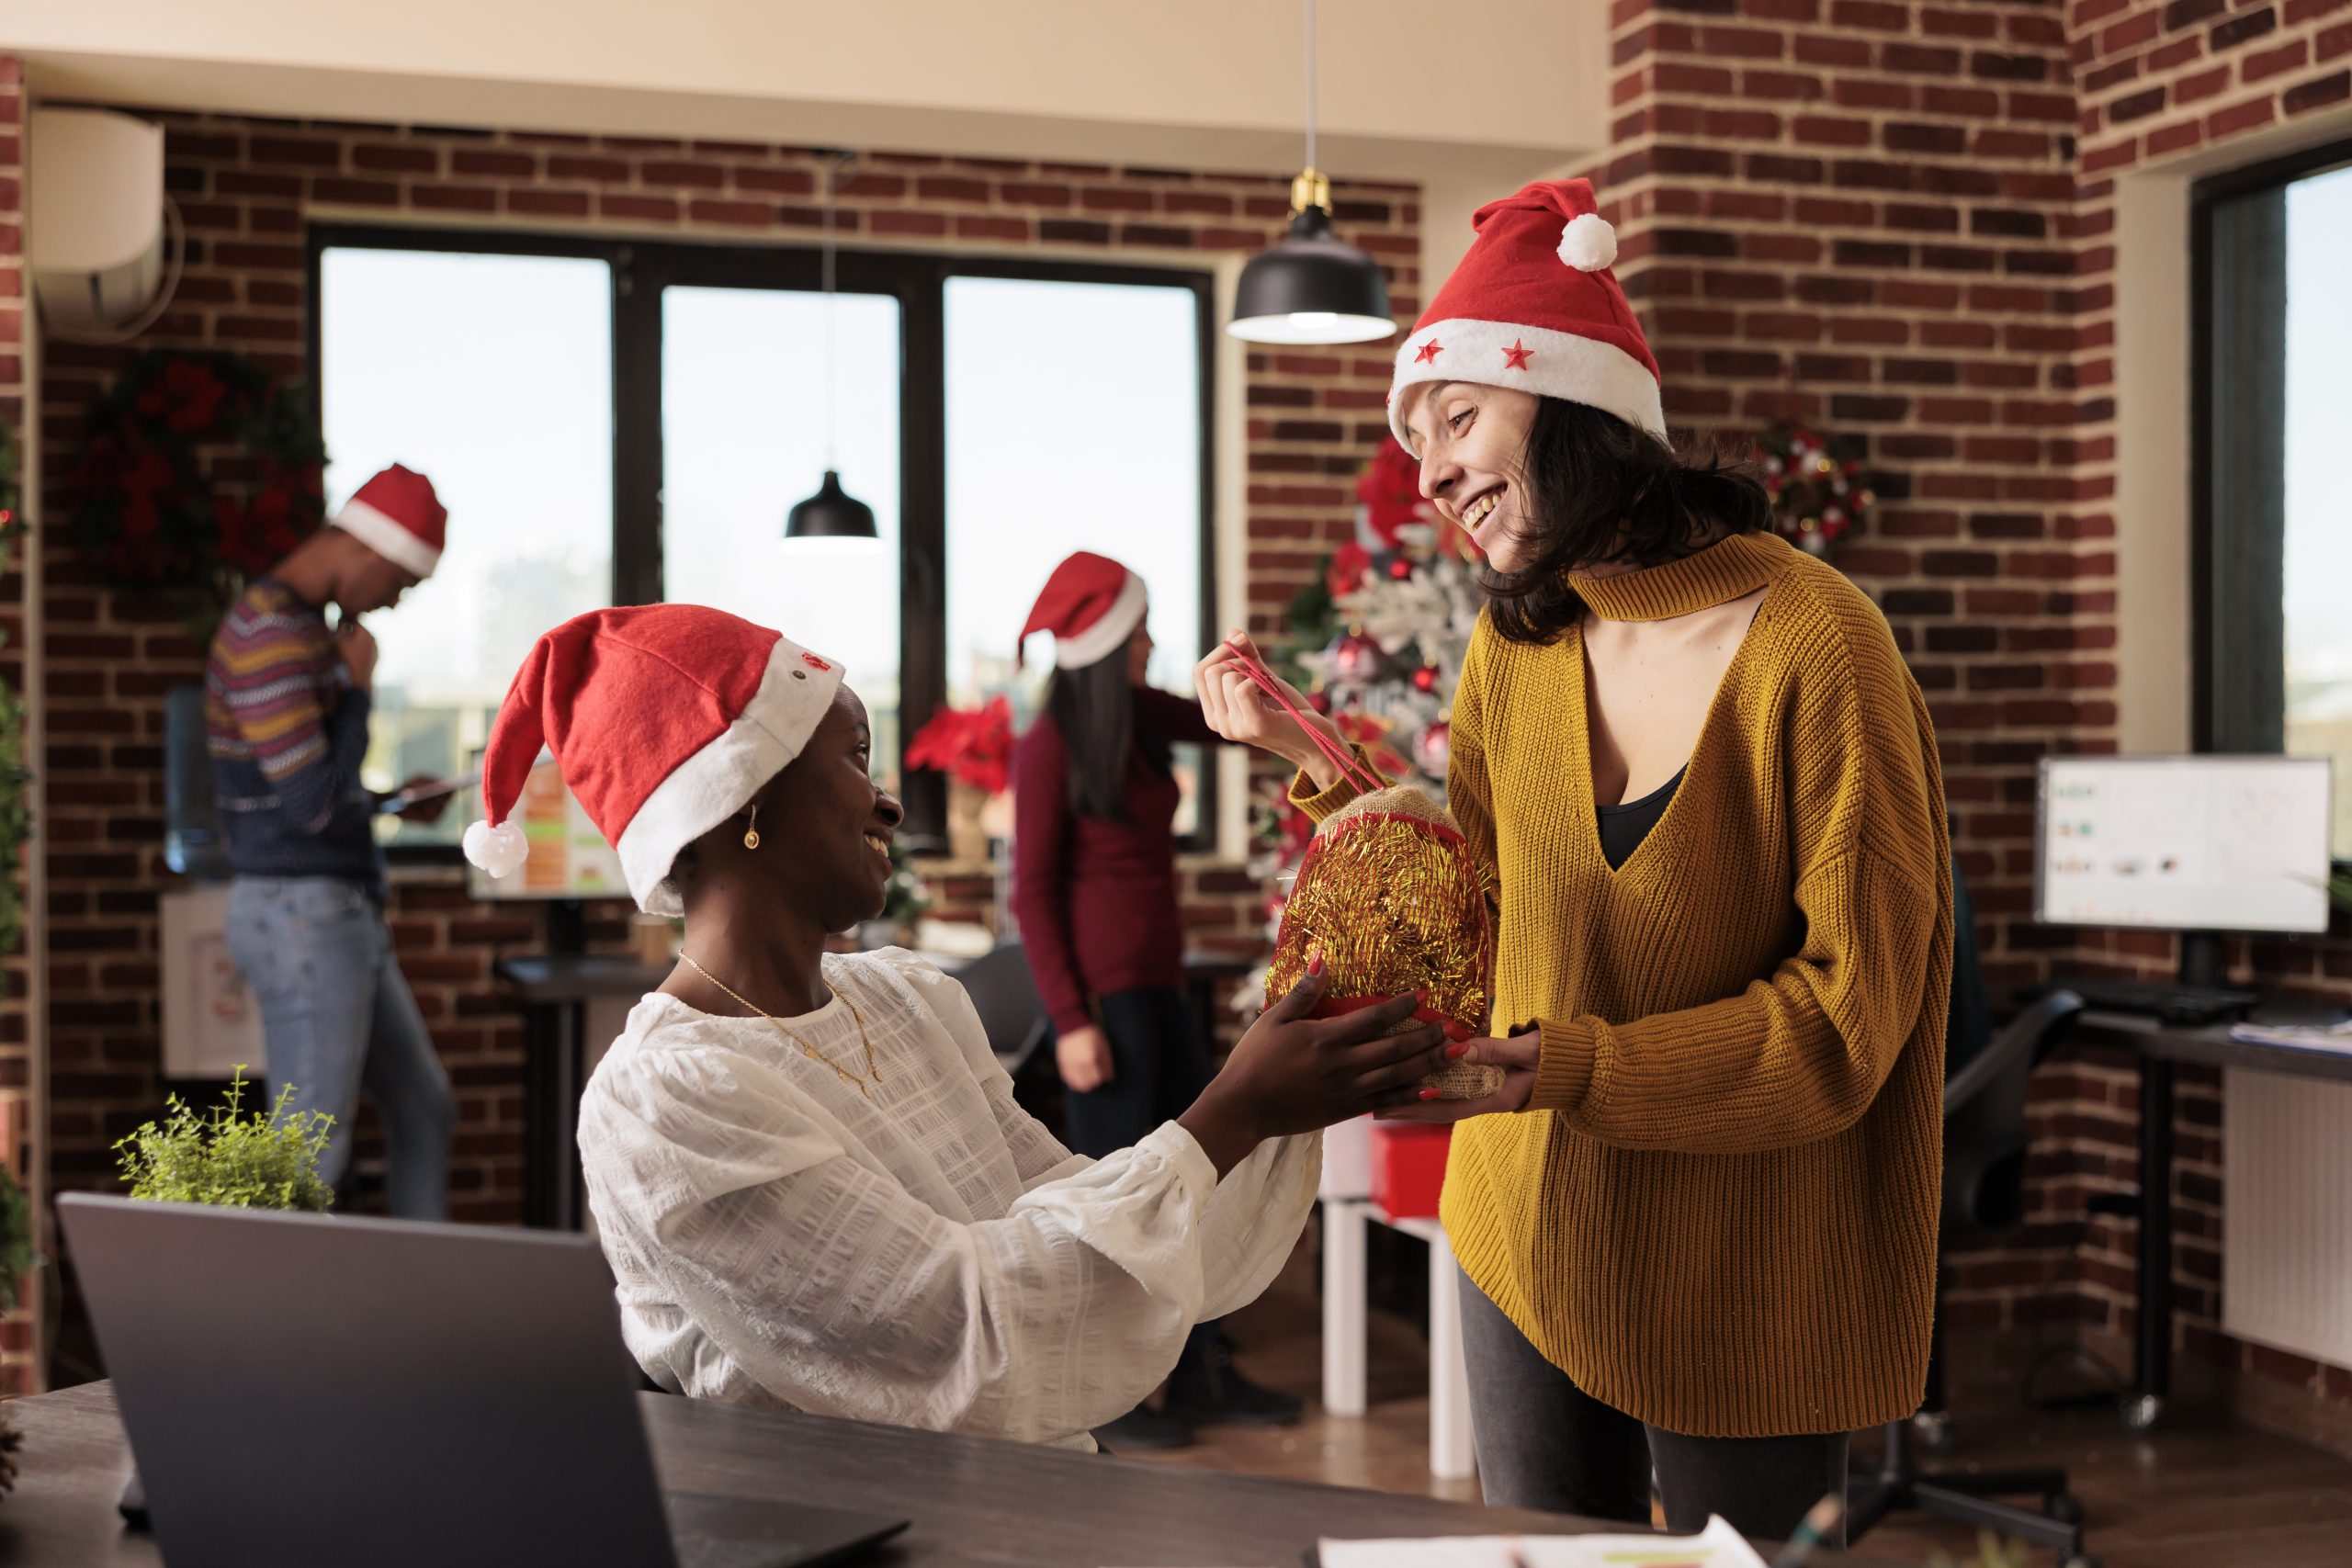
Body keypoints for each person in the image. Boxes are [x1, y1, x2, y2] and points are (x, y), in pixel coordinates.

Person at [1194, 178, 1951, 1541]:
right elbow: (1474, 895)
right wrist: (1300, 751)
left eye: (1458, 417)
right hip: (1527, 1226)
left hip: (1745, 1270)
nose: (1426, 475)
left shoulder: (1819, 645)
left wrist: (1566, 1065)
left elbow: (1852, 1016)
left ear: (1579, 404)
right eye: (1414, 440)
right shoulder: (1520, 643)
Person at [462, 604, 1457, 1449]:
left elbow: (1081, 1217)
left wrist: (1284, 1096)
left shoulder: (907, 1000)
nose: (888, 801)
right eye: (854, 759)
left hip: (1023, 1506)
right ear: (743, 799)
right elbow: (958, 1330)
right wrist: (1233, 1114)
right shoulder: (665, 1102)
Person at [1009, 551, 1302, 1450]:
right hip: (1103, 1007)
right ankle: (1116, 1401)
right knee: (1123, 1204)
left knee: (1196, 1190)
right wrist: (1068, 1022)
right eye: (1138, 630)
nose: (1150, 642)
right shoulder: (1049, 746)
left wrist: (1251, 680)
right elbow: (1032, 890)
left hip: (1161, 989)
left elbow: (1232, 725)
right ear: (1103, 644)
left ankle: (1202, 1370)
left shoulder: (1134, 718)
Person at [207, 463, 460, 1219]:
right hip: (305, 916)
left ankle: (423, 1314)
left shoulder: (299, 629)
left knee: (424, 1111)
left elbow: (305, 787)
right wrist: (357, 693)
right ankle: (275, 1336)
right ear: (369, 553)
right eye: (400, 584)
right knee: (307, 1157)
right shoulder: (269, 635)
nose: (392, 602)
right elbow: (310, 808)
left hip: (333, 911)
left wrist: (386, 802)